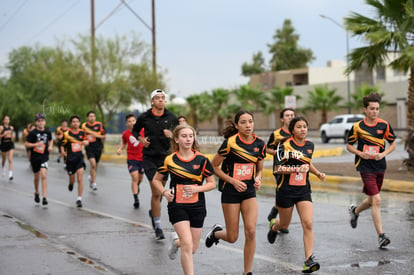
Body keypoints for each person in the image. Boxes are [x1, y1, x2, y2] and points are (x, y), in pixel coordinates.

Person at [204, 110, 265, 275]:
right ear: (237, 125)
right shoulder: (230, 143)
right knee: (232, 237)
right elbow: (213, 166)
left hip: (249, 191)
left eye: (250, 121)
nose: (248, 125)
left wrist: (258, 178)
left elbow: (259, 169)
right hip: (231, 191)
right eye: (244, 122)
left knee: (251, 230)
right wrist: (233, 181)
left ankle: (247, 272)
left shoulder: (260, 144)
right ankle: (216, 234)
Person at [153, 124, 216, 275]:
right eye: (184, 136)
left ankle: (176, 243)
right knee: (187, 244)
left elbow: (212, 184)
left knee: (192, 247)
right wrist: (164, 192)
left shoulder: (202, 160)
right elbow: (156, 180)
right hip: (177, 205)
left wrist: (197, 189)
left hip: (197, 206)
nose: (188, 139)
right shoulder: (170, 160)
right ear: (176, 139)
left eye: (190, 136)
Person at [266, 116, 325, 274]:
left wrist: (318, 173)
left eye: (305, 126)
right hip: (285, 190)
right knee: (284, 224)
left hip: (303, 190)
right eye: (299, 127)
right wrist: (295, 170)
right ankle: (274, 227)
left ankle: (308, 259)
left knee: (308, 223)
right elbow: (277, 169)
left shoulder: (309, 145)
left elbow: (306, 162)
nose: (303, 129)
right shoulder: (283, 146)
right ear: (292, 130)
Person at [346, 92, 396, 248]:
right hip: (365, 166)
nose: (375, 112)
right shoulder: (357, 127)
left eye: (377, 109)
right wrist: (360, 153)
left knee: (372, 199)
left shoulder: (384, 125)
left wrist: (383, 154)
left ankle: (355, 212)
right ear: (365, 110)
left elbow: (393, 144)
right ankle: (381, 236)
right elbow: (349, 145)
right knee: (377, 200)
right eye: (372, 109)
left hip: (380, 165)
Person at [133, 89, 179, 240]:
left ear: (165, 101)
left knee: (158, 193)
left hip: (165, 158)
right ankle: (158, 227)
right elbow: (135, 132)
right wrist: (141, 140)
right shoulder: (144, 117)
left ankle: (154, 212)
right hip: (149, 158)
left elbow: (179, 135)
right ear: (152, 101)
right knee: (157, 191)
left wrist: (171, 135)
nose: (160, 100)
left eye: (162, 98)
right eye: (157, 98)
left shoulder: (171, 117)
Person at [266, 108, 295, 228]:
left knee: (292, 195)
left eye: (292, 115)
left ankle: (277, 211)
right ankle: (283, 224)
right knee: (285, 194)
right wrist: (280, 154)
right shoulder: (276, 134)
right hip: (280, 169)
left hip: (295, 169)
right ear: (282, 119)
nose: (290, 117)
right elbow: (267, 149)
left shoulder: (298, 131)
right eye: (287, 115)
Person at [117, 113, 145, 209]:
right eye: (129, 121)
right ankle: (136, 199)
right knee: (134, 177)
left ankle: (137, 187)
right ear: (126, 123)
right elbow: (124, 143)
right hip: (132, 158)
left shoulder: (142, 130)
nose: (132, 123)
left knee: (140, 178)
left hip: (142, 158)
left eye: (133, 121)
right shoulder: (125, 134)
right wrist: (120, 149)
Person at [61, 115, 89, 208]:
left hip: (79, 158)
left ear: (79, 123)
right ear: (71, 123)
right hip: (70, 159)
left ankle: (79, 199)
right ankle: (71, 183)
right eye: (73, 121)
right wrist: (62, 151)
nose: (75, 123)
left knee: (80, 179)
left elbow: (86, 141)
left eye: (77, 121)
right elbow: (62, 144)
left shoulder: (82, 132)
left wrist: (86, 142)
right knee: (72, 177)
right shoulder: (66, 134)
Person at [25, 113, 53, 206]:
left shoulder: (48, 132)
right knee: (36, 177)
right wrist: (36, 145)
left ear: (45, 122)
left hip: (44, 156)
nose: (41, 123)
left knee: (44, 175)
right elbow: (27, 144)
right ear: (36, 123)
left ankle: (44, 197)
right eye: (38, 121)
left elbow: (51, 140)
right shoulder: (32, 133)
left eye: (42, 121)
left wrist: (50, 146)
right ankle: (36, 192)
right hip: (35, 157)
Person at [82, 111, 106, 191]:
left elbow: (104, 136)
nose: (92, 118)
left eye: (93, 116)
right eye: (90, 116)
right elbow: (80, 136)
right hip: (89, 147)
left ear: (95, 117)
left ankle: (91, 178)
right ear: (87, 118)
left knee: (95, 165)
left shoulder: (99, 125)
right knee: (93, 164)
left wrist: (97, 135)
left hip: (98, 147)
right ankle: (94, 183)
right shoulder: (84, 126)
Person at [1, 115, 15, 180]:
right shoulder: (1, 127)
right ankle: (3, 168)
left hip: (10, 144)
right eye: (6, 119)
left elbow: (12, 136)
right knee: (4, 159)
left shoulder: (11, 128)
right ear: (3, 121)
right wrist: (4, 134)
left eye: (8, 119)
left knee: (10, 159)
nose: (7, 120)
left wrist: (12, 137)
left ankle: (10, 174)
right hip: (3, 144)